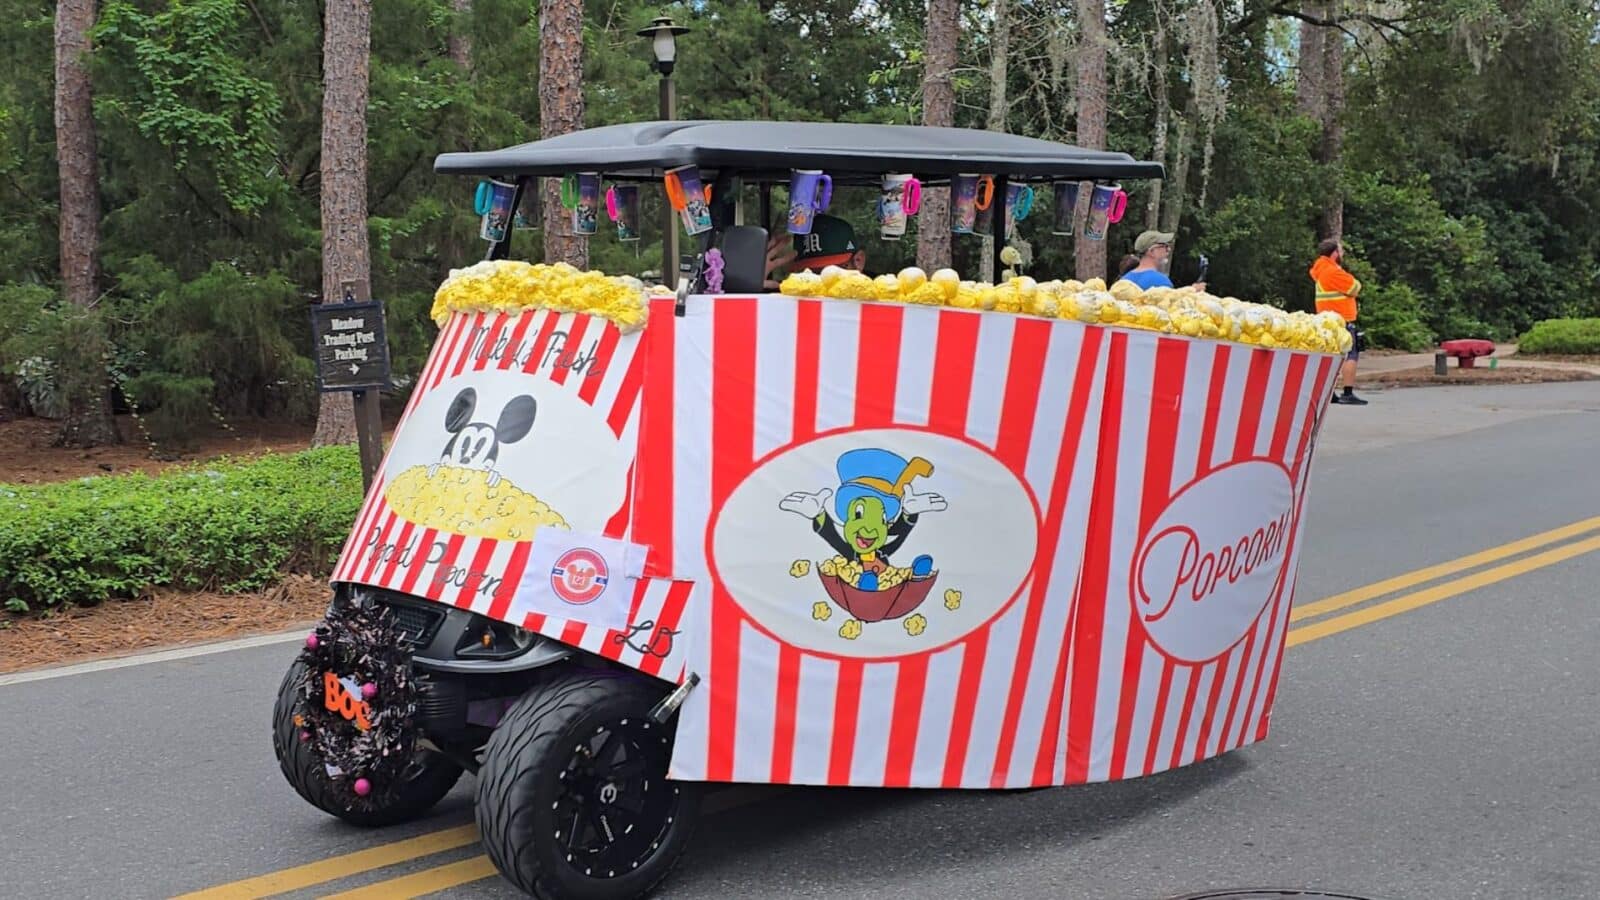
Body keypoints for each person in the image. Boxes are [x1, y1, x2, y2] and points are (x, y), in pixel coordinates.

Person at [1309, 237, 1366, 405]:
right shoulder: (1333, 272)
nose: (1342, 253)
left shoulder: (1320, 270)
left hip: (1326, 319)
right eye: (1340, 251)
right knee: (1351, 354)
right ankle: (1348, 392)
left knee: (1331, 355)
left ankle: (1330, 392)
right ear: (1334, 254)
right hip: (1342, 319)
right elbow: (1355, 287)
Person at [764, 214, 868, 288]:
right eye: (811, 274)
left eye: (834, 271)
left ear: (858, 260)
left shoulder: (879, 303)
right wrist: (752, 287)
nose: (821, 281)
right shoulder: (792, 304)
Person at [1116, 230, 1205, 293]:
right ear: (1151, 251)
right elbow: (1170, 308)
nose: (1169, 249)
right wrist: (1192, 292)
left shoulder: (1124, 280)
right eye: (1164, 246)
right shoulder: (1160, 280)